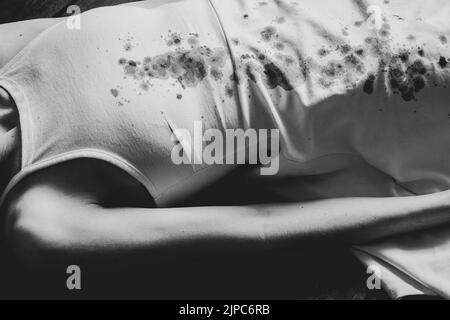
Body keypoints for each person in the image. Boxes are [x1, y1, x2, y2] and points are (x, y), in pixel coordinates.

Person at [1, 0, 450, 292]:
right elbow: (261, 226)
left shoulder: (7, 50)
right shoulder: (43, 227)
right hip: (387, 85)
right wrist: (441, 206)